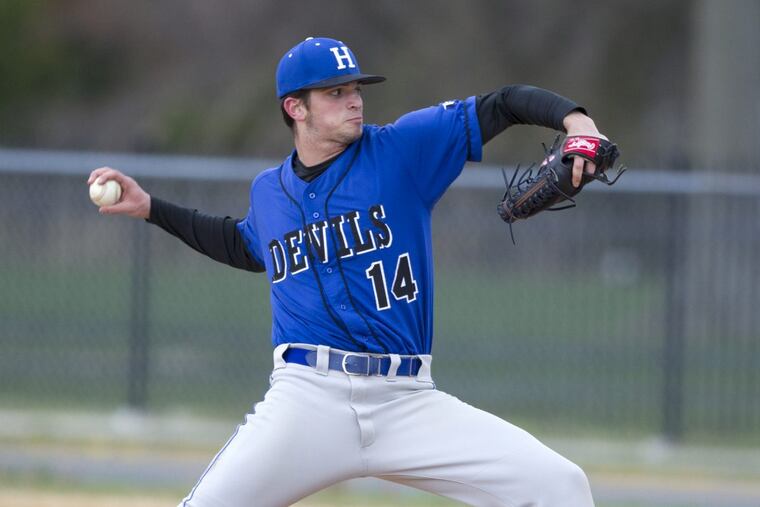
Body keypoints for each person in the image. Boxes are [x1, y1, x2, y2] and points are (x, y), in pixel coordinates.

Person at [89, 36, 605, 507]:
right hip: (307, 399)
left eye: (355, 88)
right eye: (335, 92)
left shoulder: (401, 151)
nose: (355, 99)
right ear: (296, 108)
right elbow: (244, 245)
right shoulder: (270, 192)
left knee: (560, 487)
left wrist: (575, 121)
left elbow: (503, 102)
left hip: (407, 400)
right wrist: (149, 207)